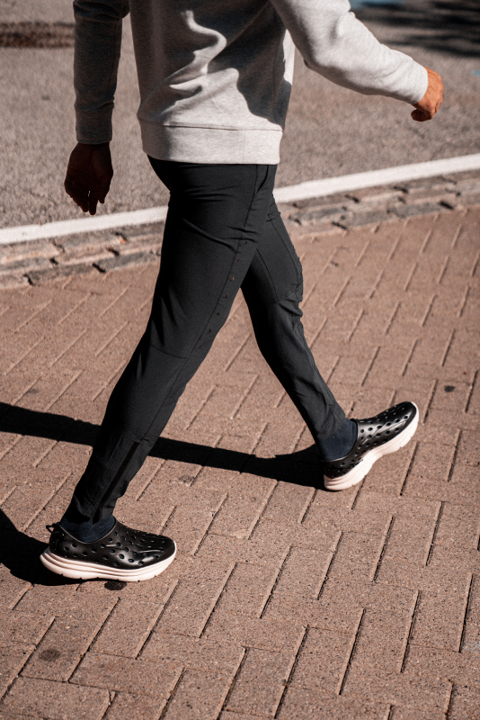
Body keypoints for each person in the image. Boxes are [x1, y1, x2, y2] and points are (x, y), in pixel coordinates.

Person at [41, 0, 443, 582]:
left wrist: (92, 134)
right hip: (229, 150)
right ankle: (86, 524)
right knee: (174, 343)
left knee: (279, 286)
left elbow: (97, 9)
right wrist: (418, 82)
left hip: (177, 137)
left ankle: (337, 441)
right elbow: (327, 39)